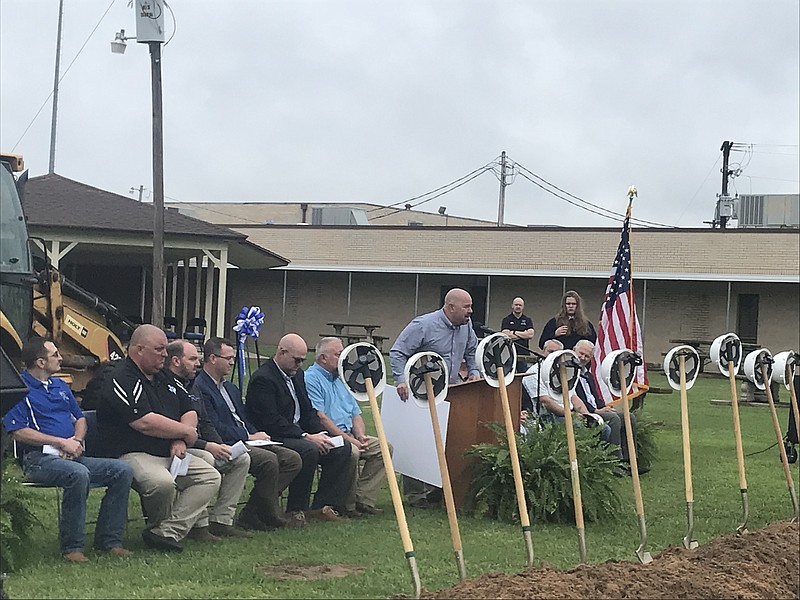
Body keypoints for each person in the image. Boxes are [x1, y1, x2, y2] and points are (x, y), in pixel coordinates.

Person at [3, 338, 134, 562]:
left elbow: (80, 418)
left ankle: (109, 541)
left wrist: (76, 441)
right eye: (55, 355)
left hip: (71, 453)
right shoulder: (20, 388)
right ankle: (72, 547)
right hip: (38, 458)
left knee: (122, 470)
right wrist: (60, 442)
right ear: (41, 362)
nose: (61, 358)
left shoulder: (60, 386)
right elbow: (18, 431)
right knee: (78, 474)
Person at [97, 324, 221, 552]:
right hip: (131, 452)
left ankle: (165, 532)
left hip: (168, 450)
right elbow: (144, 422)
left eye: (165, 349)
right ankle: (158, 528)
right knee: (162, 484)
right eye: (159, 349)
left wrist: (180, 440)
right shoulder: (120, 378)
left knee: (209, 476)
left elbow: (190, 408)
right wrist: (184, 433)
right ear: (139, 349)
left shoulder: (164, 376)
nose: (165, 354)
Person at [193, 337, 304, 530]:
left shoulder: (230, 388)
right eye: (227, 358)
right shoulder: (200, 387)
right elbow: (214, 426)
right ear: (212, 358)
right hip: (226, 443)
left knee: (292, 458)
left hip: (248, 440)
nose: (232, 361)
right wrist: (247, 436)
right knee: (268, 461)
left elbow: (243, 418)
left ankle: (254, 511)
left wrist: (256, 433)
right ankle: (267, 514)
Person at [245, 333, 354, 521]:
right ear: (281, 352)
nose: (299, 365)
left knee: (341, 448)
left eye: (303, 360)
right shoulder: (263, 379)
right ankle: (296, 507)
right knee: (308, 449)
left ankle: (323, 506)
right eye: (296, 360)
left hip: (296, 432)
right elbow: (271, 420)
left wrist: (320, 433)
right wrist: (305, 435)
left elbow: (307, 410)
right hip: (273, 434)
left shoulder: (297, 375)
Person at [389, 287, 481, 507]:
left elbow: (471, 351)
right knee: (419, 442)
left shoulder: (466, 326)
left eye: (471, 306)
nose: (471, 311)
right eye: (466, 307)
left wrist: (474, 373)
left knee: (448, 440)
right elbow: (398, 351)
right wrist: (400, 379)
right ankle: (416, 496)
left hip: (453, 391)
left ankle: (438, 490)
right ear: (450, 307)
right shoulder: (423, 325)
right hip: (422, 393)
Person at [165, 340, 252, 541]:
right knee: (206, 459)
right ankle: (199, 525)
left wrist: (218, 443)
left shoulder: (192, 386)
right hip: (175, 450)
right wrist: (208, 445)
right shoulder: (167, 386)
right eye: (193, 358)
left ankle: (221, 520)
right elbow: (177, 430)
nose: (198, 363)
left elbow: (204, 422)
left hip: (200, 444)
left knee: (240, 458)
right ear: (176, 361)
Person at [305, 336, 390, 518]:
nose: (344, 358)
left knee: (383, 448)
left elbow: (355, 413)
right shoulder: (311, 379)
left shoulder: (342, 379)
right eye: (338, 354)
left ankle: (363, 499)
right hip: (325, 437)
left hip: (349, 435)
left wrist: (360, 436)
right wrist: (350, 440)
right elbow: (321, 418)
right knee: (351, 451)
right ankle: (347, 506)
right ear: (323, 358)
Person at [573, 339, 641, 469]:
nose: (583, 358)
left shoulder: (588, 375)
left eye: (587, 356)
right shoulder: (569, 374)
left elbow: (595, 397)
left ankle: (631, 460)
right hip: (586, 412)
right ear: (574, 350)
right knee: (614, 419)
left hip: (597, 409)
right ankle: (615, 463)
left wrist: (604, 407)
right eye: (581, 353)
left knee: (628, 416)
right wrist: (596, 411)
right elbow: (575, 398)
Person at [501, 296, 536, 371]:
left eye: (520, 305)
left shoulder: (527, 320)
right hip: (509, 354)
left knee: (523, 376)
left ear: (523, 307)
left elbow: (530, 335)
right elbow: (505, 334)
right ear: (512, 306)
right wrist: (523, 334)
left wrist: (513, 332)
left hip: (524, 354)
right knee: (508, 375)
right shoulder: (506, 320)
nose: (518, 306)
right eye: (516, 305)